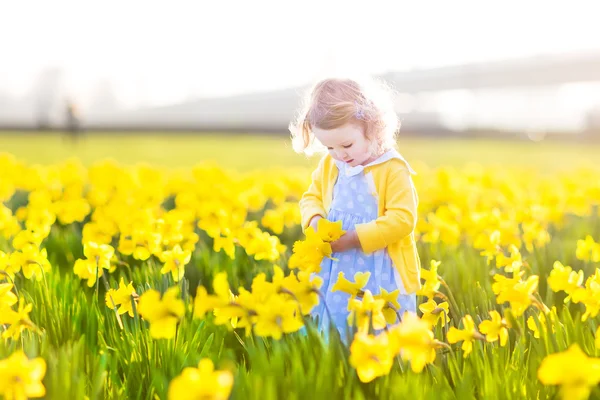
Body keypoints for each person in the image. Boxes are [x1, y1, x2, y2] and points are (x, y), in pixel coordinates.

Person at [289, 76, 421, 341]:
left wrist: (355, 239)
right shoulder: (331, 164)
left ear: (372, 129)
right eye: (329, 147)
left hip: (379, 267)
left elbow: (403, 219)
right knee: (336, 324)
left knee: (378, 327)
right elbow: (310, 197)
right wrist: (314, 220)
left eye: (347, 145)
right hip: (335, 265)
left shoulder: (392, 169)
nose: (340, 154)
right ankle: (339, 365)